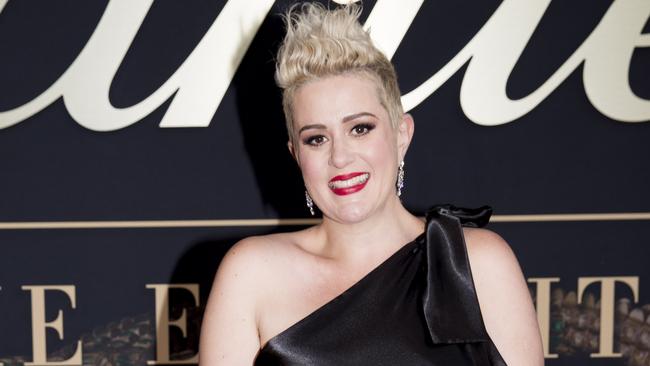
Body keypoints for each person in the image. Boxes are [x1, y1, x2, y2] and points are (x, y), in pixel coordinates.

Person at [199, 3, 543, 365]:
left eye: (359, 128)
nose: (340, 157)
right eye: (316, 138)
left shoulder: (477, 263)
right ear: (296, 154)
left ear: (401, 135)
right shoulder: (251, 273)